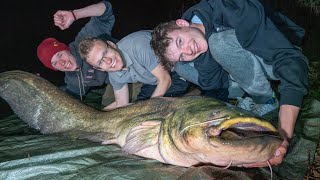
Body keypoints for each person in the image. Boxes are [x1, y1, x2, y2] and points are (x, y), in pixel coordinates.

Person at [150, 0, 309, 167]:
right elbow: (213, 86)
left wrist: (283, 136)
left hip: (280, 52)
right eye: (181, 55)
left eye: (180, 42)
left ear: (182, 23)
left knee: (219, 43)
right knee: (183, 69)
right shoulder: (196, 42)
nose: (188, 51)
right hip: (245, 66)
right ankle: (247, 97)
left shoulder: (230, 8)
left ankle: (265, 99)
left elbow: (291, 61)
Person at [78, 30, 190, 110]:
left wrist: (147, 110)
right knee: (139, 105)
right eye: (100, 62)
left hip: (176, 68)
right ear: (99, 69)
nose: (108, 61)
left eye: (105, 52)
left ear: (112, 44)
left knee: (160, 109)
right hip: (154, 81)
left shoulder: (137, 45)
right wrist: (96, 116)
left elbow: (165, 80)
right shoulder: (114, 75)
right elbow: (121, 104)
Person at [37, 0, 117, 100]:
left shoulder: (85, 40)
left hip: (133, 60)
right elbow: (71, 99)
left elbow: (106, 9)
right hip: (118, 82)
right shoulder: (72, 81)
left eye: (60, 55)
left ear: (66, 49)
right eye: (55, 63)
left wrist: (74, 15)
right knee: (108, 105)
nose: (62, 63)